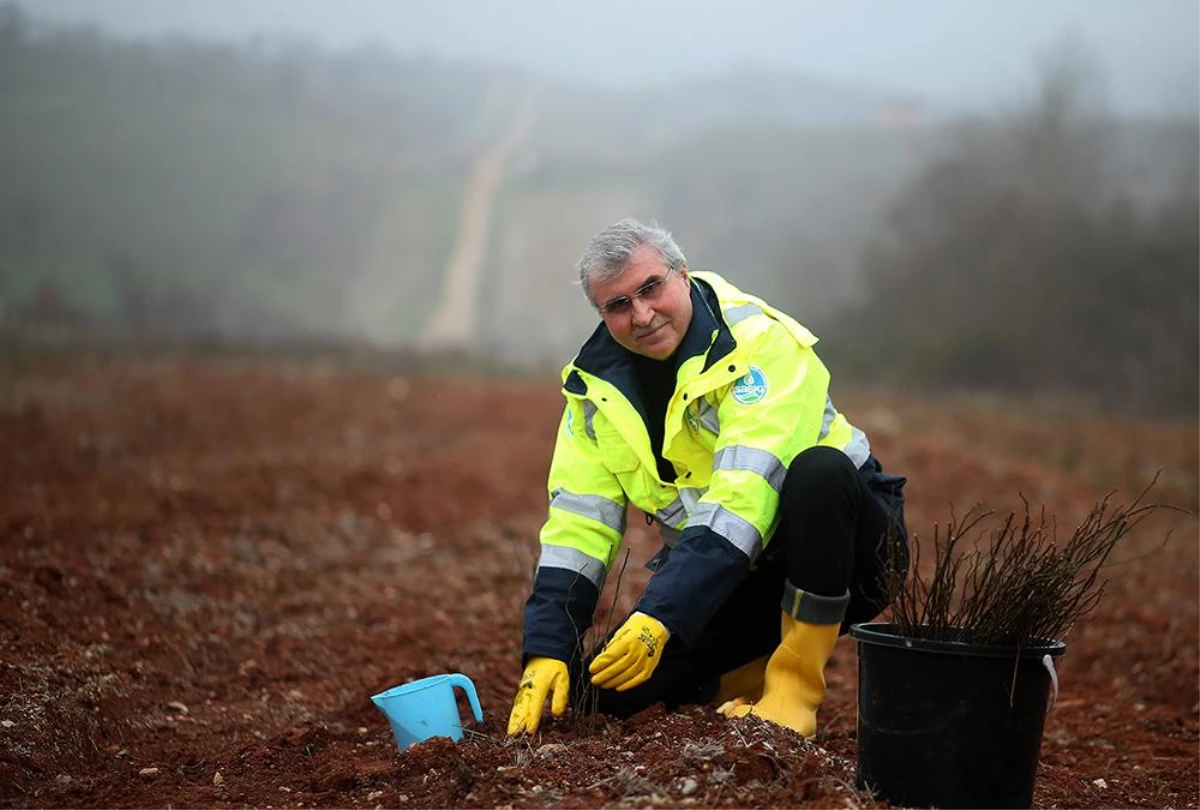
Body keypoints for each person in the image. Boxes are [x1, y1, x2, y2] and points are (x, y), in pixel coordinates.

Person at [507, 218, 907, 739]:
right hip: (739, 574)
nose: (643, 315)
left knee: (819, 473)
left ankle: (792, 689)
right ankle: (743, 673)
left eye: (650, 288)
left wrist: (661, 614)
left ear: (682, 274)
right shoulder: (593, 393)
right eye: (619, 305)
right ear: (602, 315)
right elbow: (579, 522)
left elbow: (744, 497)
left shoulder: (759, 342)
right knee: (600, 697)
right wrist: (547, 648)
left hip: (852, 552)